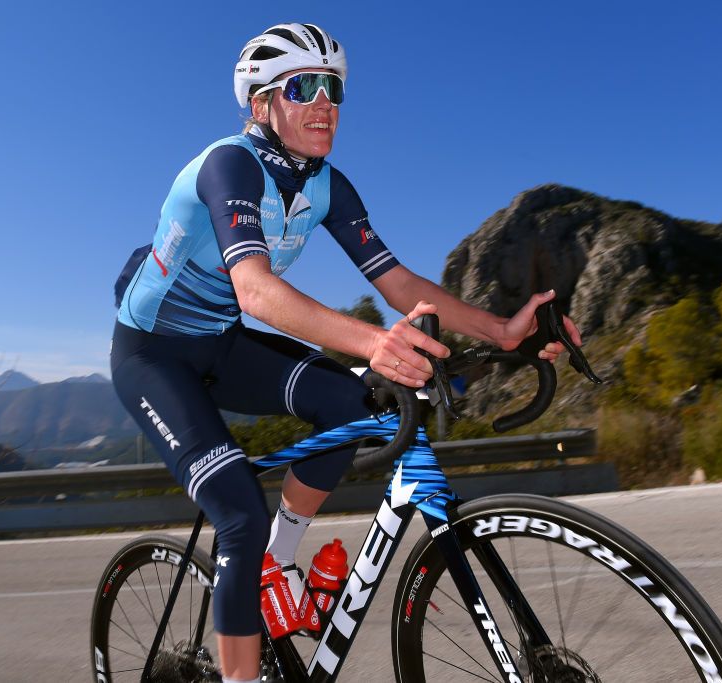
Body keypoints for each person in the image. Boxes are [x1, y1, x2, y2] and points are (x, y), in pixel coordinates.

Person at [110, 22, 581, 683]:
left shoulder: (328, 186)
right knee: (240, 509)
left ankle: (282, 555)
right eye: (304, 87)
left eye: (334, 88)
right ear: (261, 103)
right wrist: (374, 341)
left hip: (221, 346)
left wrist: (502, 331)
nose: (326, 102)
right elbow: (253, 289)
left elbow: (399, 284)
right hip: (153, 355)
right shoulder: (230, 164)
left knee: (349, 404)